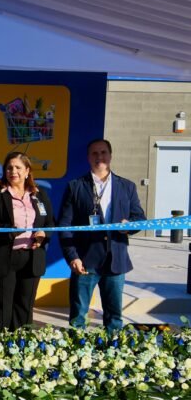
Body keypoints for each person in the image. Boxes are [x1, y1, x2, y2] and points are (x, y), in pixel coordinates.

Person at [59, 139, 145, 332]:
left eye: (104, 152)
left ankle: (113, 349)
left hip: (116, 261)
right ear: (88, 157)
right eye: (95, 153)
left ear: (110, 156)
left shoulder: (127, 186)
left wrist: (129, 226)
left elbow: (139, 218)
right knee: (78, 318)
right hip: (85, 262)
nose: (100, 157)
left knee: (114, 319)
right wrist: (72, 256)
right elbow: (64, 226)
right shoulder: (75, 186)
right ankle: (77, 348)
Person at [0, 152, 55, 330]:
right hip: (3, 257)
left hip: (32, 257)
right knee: (2, 308)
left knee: (25, 307)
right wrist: (13, 231)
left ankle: (22, 343)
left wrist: (43, 234)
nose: (13, 171)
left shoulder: (39, 195)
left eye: (17, 167)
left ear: (27, 171)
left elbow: (50, 223)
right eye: (9, 168)